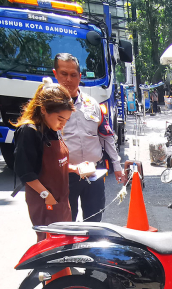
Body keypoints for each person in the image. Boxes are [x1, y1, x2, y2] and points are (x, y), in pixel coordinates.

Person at [13, 79, 95, 241]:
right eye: (60, 119)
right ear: (43, 110)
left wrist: (74, 168)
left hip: (61, 199)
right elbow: (26, 172)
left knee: (63, 239)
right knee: (50, 242)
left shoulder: (51, 129)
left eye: (66, 120)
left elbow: (56, 164)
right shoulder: (29, 132)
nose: (62, 125)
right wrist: (46, 195)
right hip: (46, 201)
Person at [52, 53, 124, 223]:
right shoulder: (49, 107)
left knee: (94, 221)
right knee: (66, 223)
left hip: (94, 173)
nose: (68, 79)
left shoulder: (92, 105)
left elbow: (107, 137)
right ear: (55, 74)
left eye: (73, 75)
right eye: (63, 74)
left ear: (80, 77)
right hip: (65, 175)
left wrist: (117, 166)